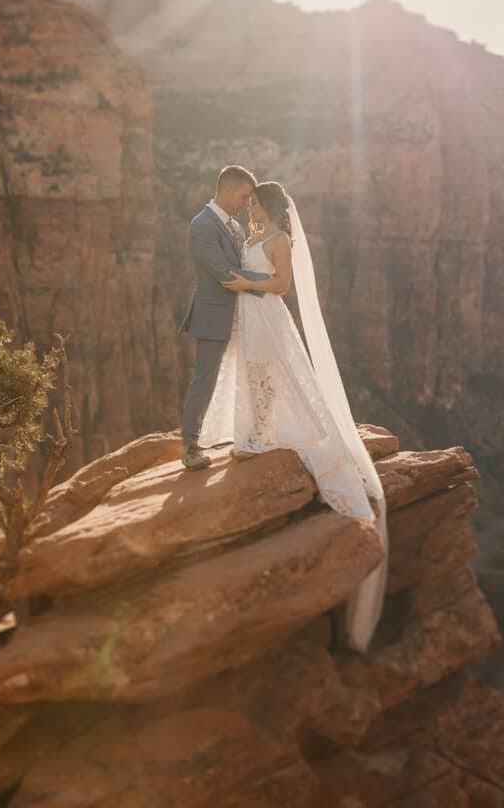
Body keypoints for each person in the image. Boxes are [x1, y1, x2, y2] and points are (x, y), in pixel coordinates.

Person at [198, 180, 389, 654]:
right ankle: (254, 432)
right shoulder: (250, 239)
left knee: (276, 375)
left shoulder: (279, 240)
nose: (249, 209)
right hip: (248, 318)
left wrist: (244, 283)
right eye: (248, 204)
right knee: (251, 374)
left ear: (269, 206)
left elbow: (281, 285)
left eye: (255, 203)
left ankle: (279, 433)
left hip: (268, 316)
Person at [178, 165, 271, 471]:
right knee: (205, 378)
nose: (248, 203)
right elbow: (222, 272)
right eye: (245, 196)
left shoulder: (235, 226)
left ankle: (247, 434)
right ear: (229, 190)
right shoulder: (202, 225)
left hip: (243, 315)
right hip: (214, 315)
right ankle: (190, 446)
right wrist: (269, 286)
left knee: (251, 373)